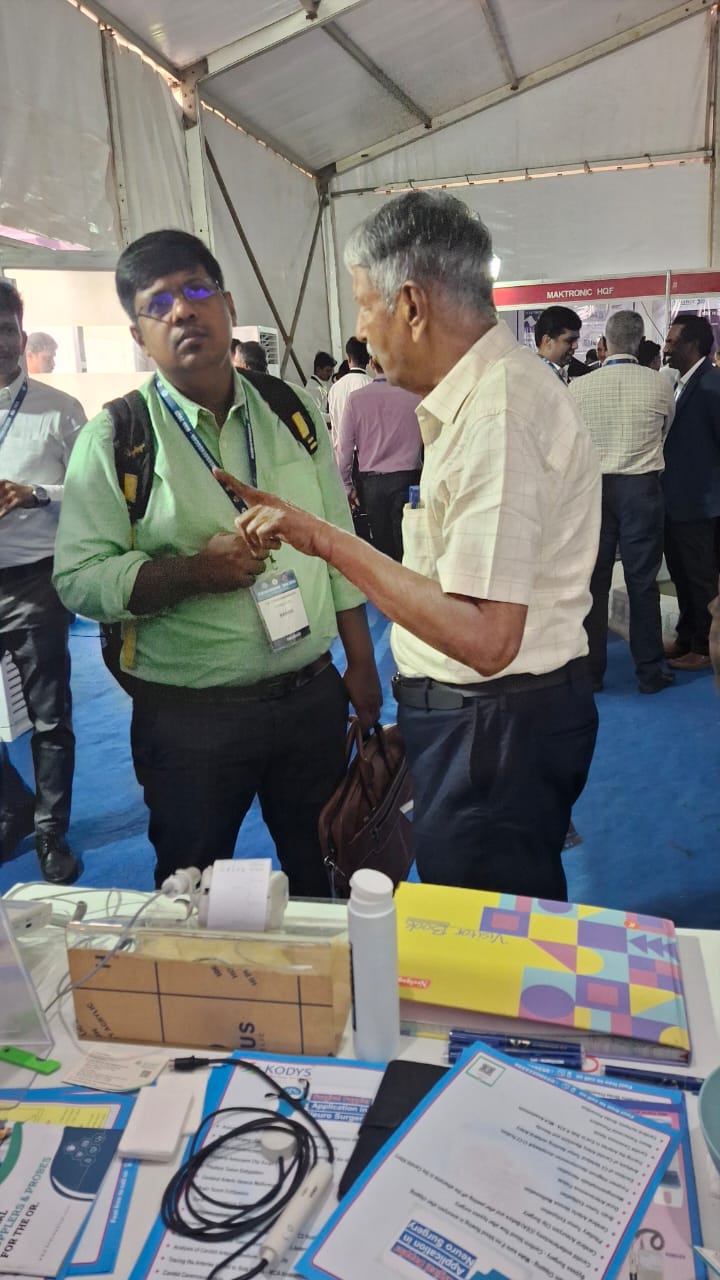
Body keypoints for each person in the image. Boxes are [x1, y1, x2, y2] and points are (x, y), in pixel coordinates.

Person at [219, 191, 601, 902]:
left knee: (487, 926)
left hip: (491, 724)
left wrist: (324, 539)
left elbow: (487, 638)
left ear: (412, 305)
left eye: (366, 306)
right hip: (490, 723)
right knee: (496, 907)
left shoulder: (498, 411)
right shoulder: (485, 398)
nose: (361, 329)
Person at [53, 229, 381, 896]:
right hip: (189, 720)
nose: (182, 310)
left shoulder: (291, 409)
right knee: (192, 894)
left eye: (197, 290)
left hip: (310, 697)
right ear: (139, 336)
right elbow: (78, 579)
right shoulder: (117, 437)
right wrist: (195, 573)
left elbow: (337, 540)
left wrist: (362, 663)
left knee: (327, 878)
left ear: (229, 307)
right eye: (158, 303)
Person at [0, 282, 85, 883]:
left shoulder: (60, 410)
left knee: (49, 716)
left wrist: (35, 494)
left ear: (21, 336)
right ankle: (14, 807)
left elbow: (93, 490)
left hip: (35, 583)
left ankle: (52, 831)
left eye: (5, 330)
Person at [570, 311, 676, 694]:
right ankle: (649, 671)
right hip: (642, 489)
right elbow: (665, 430)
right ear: (640, 342)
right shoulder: (659, 383)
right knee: (642, 582)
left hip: (593, 491)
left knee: (593, 582)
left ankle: (590, 672)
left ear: (603, 343)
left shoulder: (578, 387)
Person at [661, 313, 720, 671]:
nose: (665, 347)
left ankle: (705, 646)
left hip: (700, 503)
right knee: (681, 575)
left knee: (700, 578)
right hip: (677, 500)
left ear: (692, 344)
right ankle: (687, 636)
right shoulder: (681, 383)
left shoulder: (712, 385)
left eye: (671, 341)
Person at [335, 355, 422, 561]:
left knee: (383, 552)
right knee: (412, 547)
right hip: (411, 483)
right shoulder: (416, 396)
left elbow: (344, 449)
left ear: (372, 364)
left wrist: (346, 486)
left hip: (373, 487)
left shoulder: (356, 399)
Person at [327, 336, 371, 443]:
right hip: (367, 449)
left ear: (349, 358)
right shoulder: (372, 385)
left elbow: (334, 426)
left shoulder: (335, 388)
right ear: (369, 359)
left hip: (341, 448)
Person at [534, 306, 582, 382]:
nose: (575, 346)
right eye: (569, 340)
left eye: (576, 340)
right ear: (547, 341)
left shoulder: (566, 374)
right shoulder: (532, 377)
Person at [305, 350, 336, 424]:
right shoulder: (314, 389)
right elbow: (316, 415)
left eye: (331, 371)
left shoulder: (320, 385)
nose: (330, 374)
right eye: (327, 371)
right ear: (318, 369)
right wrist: (334, 416)